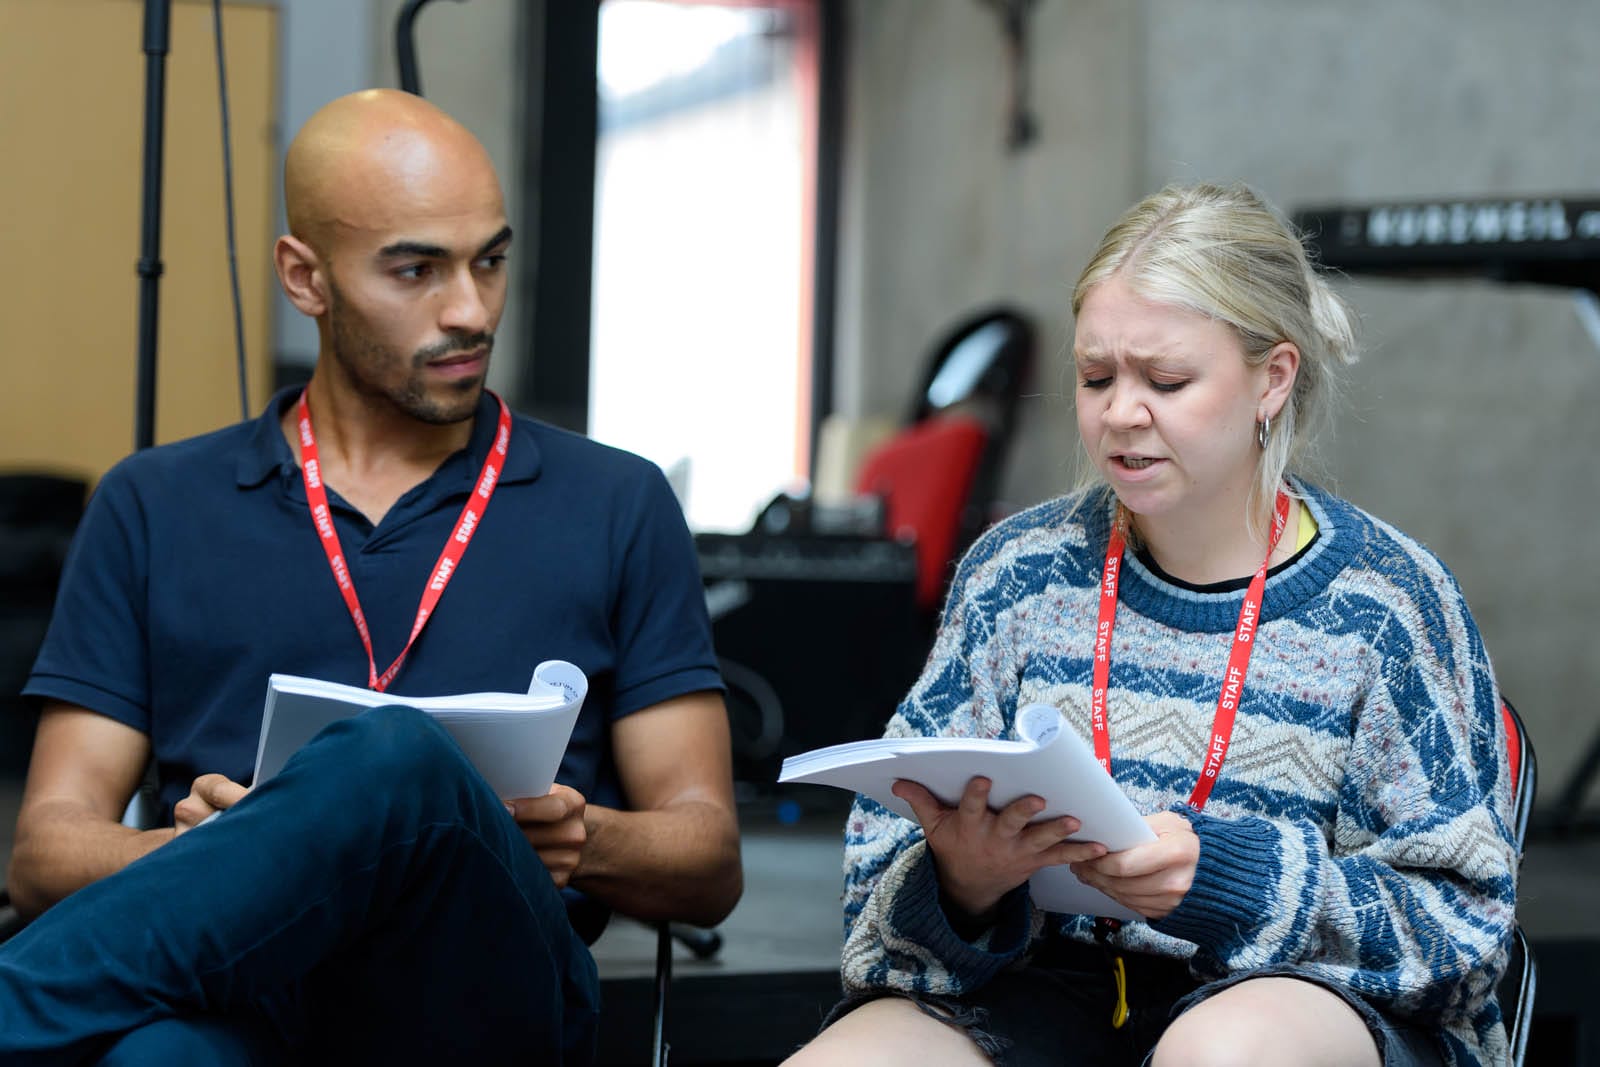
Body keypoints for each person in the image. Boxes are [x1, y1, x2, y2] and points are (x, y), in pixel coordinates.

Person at [0, 89, 741, 1064]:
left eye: (489, 259)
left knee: (396, 758)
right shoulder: (153, 502)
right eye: (416, 269)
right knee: (153, 1058)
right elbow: (45, 847)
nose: (471, 309)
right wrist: (241, 854)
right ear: (304, 277)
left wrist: (582, 837)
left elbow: (707, 853)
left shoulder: (616, 500)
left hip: (487, 991)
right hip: (243, 983)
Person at [784, 183, 1516, 1067]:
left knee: (1221, 1050)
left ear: (1272, 379)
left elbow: (1465, 937)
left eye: (1166, 381)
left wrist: (1226, 880)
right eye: (1096, 378)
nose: (1121, 412)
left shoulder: (1386, 601)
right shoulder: (1019, 573)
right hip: (1056, 988)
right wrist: (964, 885)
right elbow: (871, 901)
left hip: (1298, 1007)